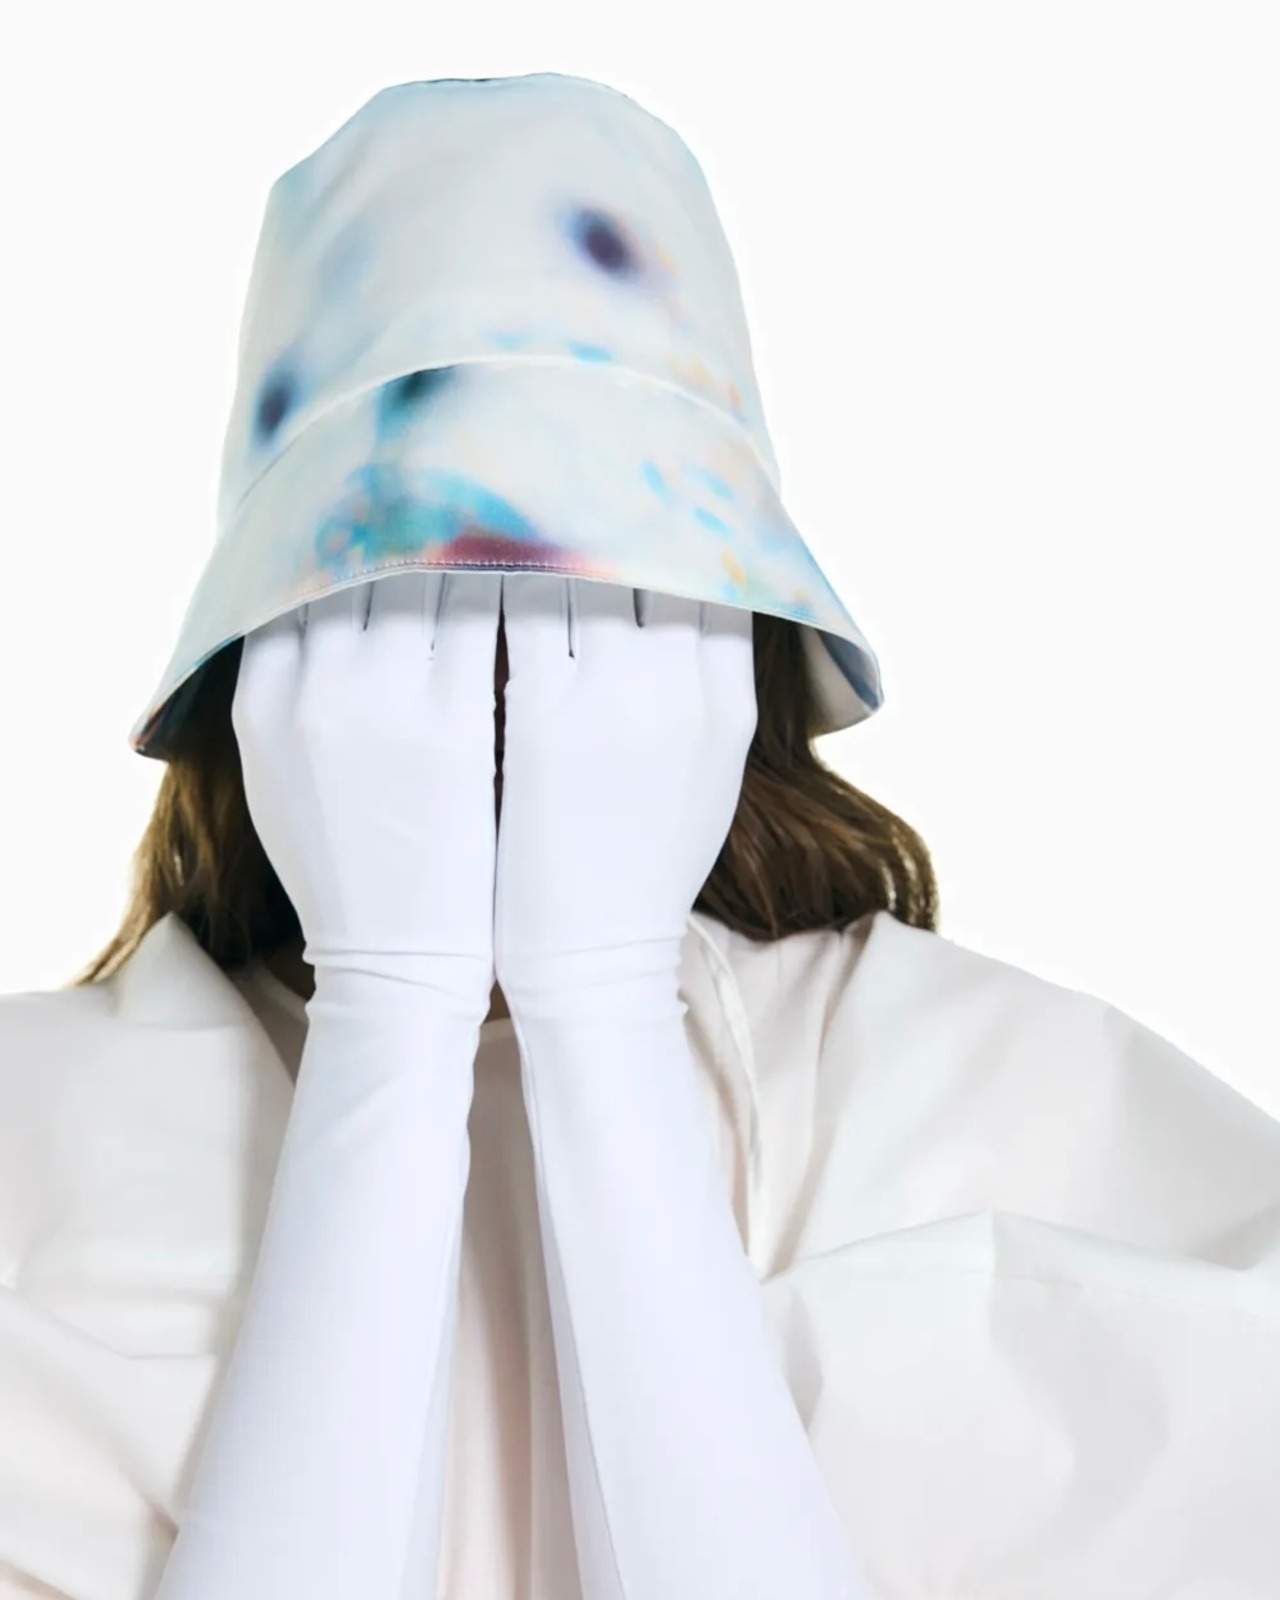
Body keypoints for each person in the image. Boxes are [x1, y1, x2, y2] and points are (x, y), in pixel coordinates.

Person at [3, 71, 1280, 1600]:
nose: (499, 666)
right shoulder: (47, 1124)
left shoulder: (970, 1088)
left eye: (582, 605)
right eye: (406, 605)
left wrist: (600, 1006)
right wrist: (392, 1010)